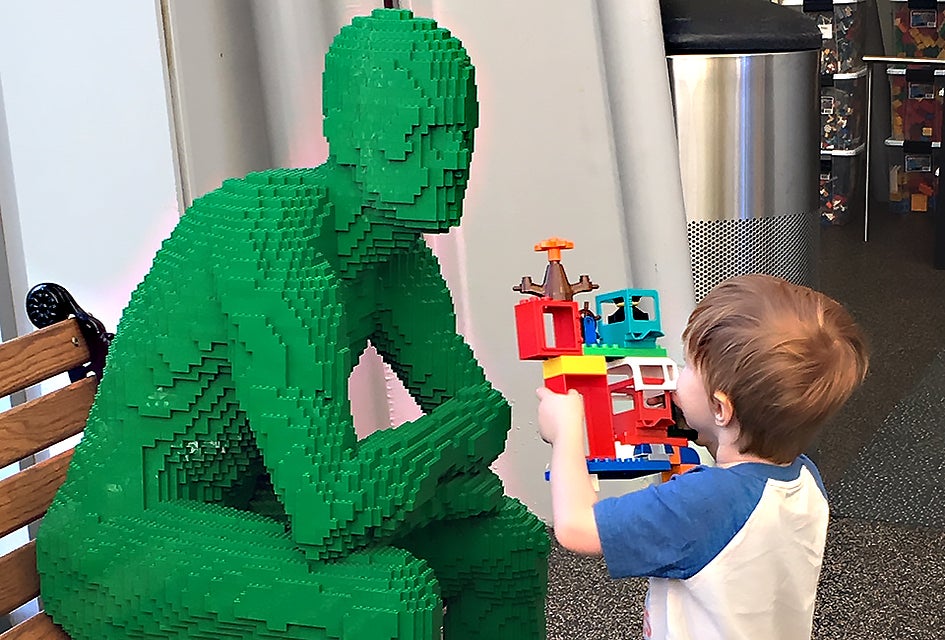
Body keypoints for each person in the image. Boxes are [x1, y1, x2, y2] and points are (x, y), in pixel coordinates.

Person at [37, 9, 547, 640]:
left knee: (509, 545)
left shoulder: (399, 258)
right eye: (422, 132)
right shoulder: (270, 239)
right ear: (352, 136)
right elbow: (332, 510)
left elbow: (480, 416)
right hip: (123, 542)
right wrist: (439, 473)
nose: (452, 161)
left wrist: (442, 448)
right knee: (390, 597)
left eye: (462, 134)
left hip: (254, 510)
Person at [536, 273, 869, 640]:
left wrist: (565, 432)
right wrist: (707, 441)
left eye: (690, 366)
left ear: (720, 408)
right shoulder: (805, 479)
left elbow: (577, 528)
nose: (678, 375)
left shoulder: (702, 504)